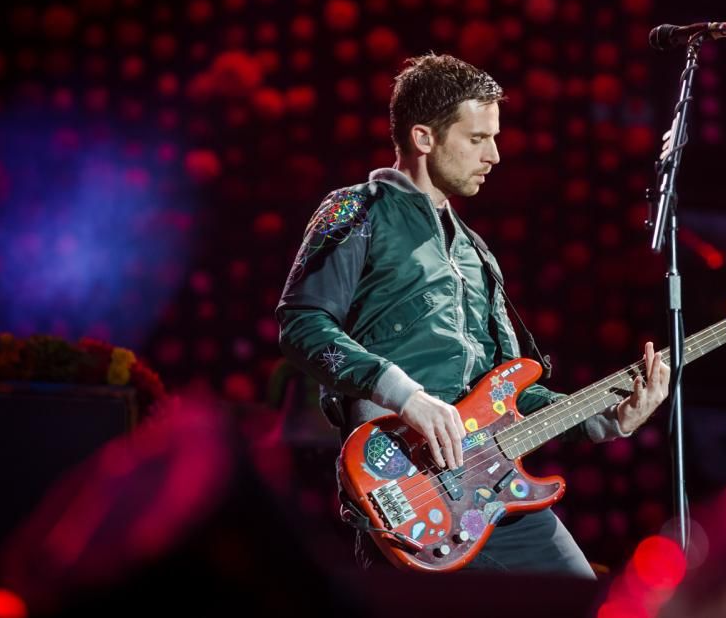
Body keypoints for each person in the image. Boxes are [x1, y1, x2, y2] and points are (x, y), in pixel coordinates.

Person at [276, 54, 669, 578]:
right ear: (423, 138)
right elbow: (302, 324)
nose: (495, 155)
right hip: (405, 485)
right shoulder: (357, 210)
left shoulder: (477, 253)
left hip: (493, 487)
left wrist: (610, 417)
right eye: (478, 138)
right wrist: (406, 396)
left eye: (494, 138)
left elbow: (511, 392)